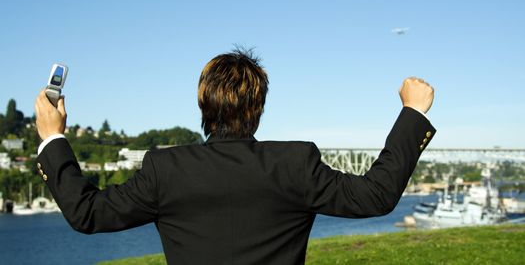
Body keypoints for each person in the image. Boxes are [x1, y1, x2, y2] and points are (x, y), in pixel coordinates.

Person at [34, 49, 436, 265]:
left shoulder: (165, 169)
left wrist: (53, 138)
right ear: (259, 106)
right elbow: (376, 195)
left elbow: (86, 212)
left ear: (202, 105)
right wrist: (413, 114)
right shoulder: (295, 164)